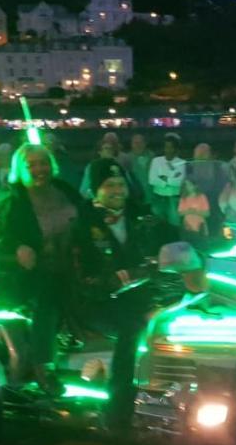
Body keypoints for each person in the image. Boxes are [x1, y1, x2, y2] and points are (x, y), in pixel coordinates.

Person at [71, 159, 176, 428]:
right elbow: (79, 273)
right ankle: (118, 409)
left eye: (120, 184)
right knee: (133, 327)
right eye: (109, 185)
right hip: (95, 302)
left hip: (139, 294)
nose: (117, 189)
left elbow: (174, 237)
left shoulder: (142, 215)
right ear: (96, 190)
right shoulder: (82, 224)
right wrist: (108, 281)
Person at [0, 144, 85, 396]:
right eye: (32, 165)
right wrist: (17, 249)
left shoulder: (65, 191)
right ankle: (43, 366)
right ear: (20, 170)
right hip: (31, 274)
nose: (40, 169)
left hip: (75, 267)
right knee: (48, 298)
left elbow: (90, 217)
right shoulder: (11, 203)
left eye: (44, 163)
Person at [147, 133, 186, 226]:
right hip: (158, 197)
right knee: (157, 225)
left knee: (175, 224)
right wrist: (171, 180)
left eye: (171, 147)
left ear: (176, 148)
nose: (168, 150)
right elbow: (151, 180)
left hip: (174, 198)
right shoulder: (156, 161)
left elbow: (179, 182)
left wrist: (163, 178)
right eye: (166, 147)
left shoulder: (181, 163)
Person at [178, 177, 210, 243]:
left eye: (189, 185)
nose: (187, 187)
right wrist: (189, 211)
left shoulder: (202, 197)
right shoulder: (183, 198)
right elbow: (179, 213)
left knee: (201, 245)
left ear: (195, 185)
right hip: (187, 227)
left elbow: (207, 213)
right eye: (185, 185)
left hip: (200, 227)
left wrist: (195, 212)